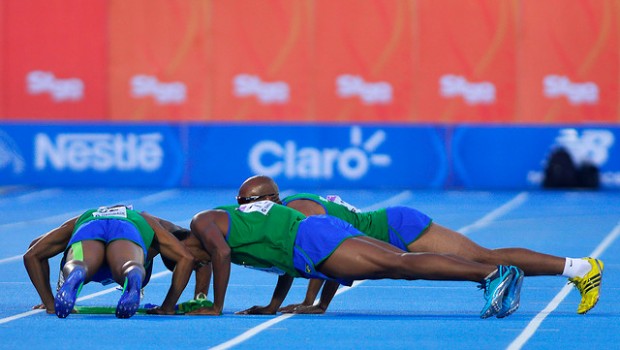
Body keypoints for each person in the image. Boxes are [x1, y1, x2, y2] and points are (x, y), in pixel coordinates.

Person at [235, 175, 604, 316]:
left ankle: (580, 268)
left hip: (397, 227)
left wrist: (317, 303)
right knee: (479, 257)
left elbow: (326, 252)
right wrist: (307, 303)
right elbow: (317, 260)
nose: (243, 211)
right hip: (386, 233)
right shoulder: (285, 211)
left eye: (246, 205)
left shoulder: (298, 207)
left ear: (270, 198)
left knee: (484, 256)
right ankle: (574, 268)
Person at [177, 199, 523, 319]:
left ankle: (492, 273)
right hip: (313, 238)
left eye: (185, 263)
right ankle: (492, 272)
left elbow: (218, 255)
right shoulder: (232, 229)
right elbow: (283, 261)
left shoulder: (205, 225)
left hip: (312, 240)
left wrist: (215, 306)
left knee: (401, 266)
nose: (195, 267)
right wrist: (272, 304)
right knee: (402, 265)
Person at [23, 205, 195, 318]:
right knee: (130, 265)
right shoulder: (149, 222)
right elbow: (187, 257)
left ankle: (76, 272)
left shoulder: (78, 220)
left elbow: (32, 253)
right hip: (127, 229)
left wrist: (49, 302)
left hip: (89, 226)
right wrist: (168, 306)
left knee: (79, 264)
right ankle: (133, 273)